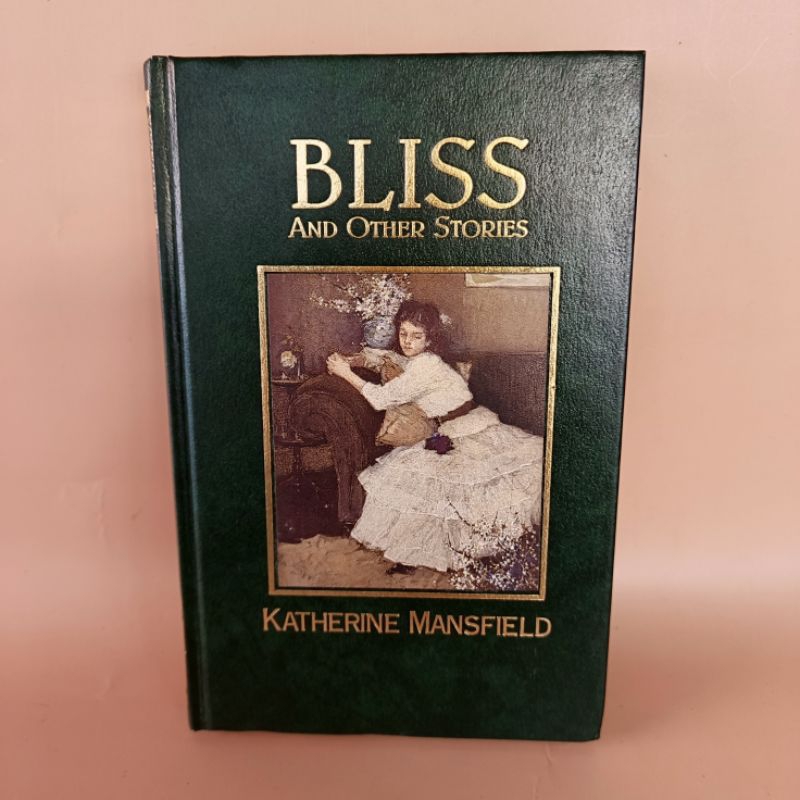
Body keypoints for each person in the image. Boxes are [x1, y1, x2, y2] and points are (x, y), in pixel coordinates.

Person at [326, 301, 543, 575]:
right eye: (403, 333)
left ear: (429, 340)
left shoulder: (427, 364)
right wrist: (359, 359)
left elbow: (381, 399)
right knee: (421, 484)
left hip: (470, 430)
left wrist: (345, 373)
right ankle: (415, 552)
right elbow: (394, 360)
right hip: (449, 429)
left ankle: (467, 551)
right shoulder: (420, 360)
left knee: (446, 486)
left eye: (416, 336)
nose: (407, 341)